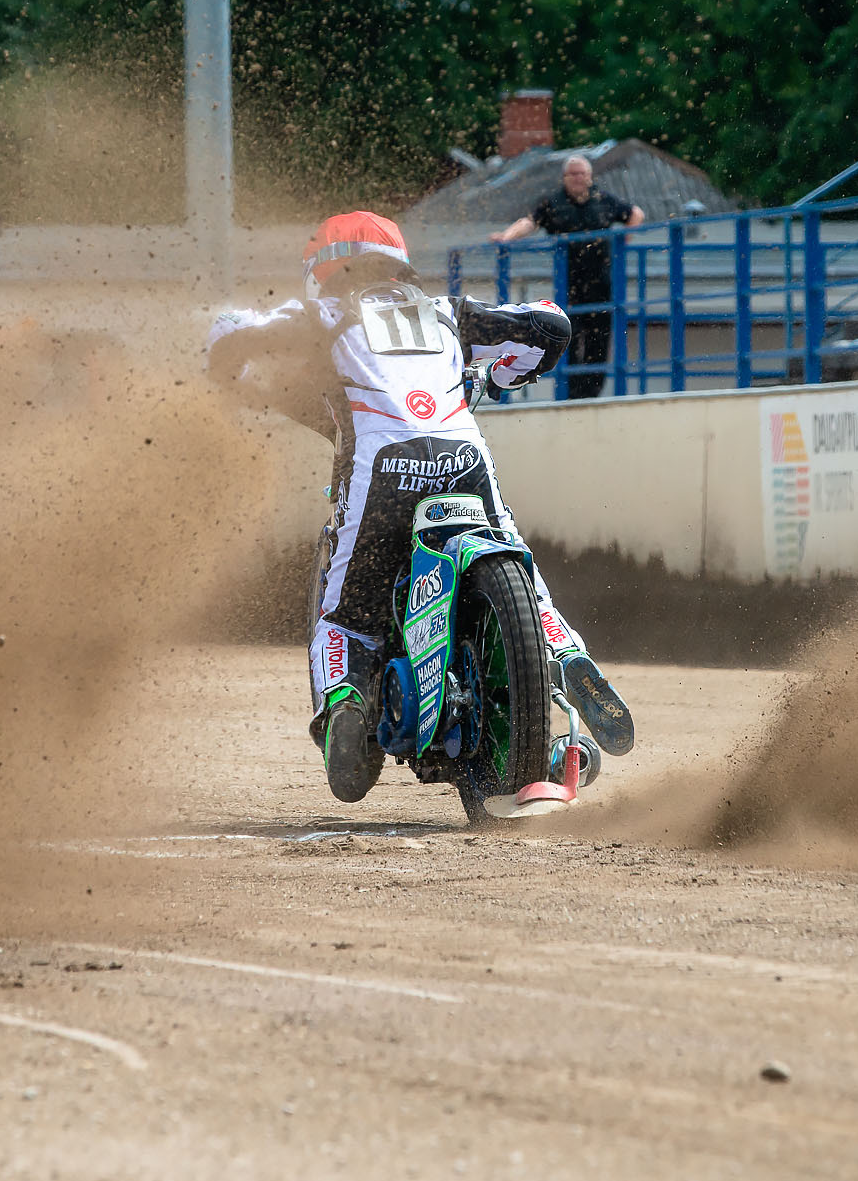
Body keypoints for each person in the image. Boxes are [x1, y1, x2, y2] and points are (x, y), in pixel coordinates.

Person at [207, 211, 635, 802]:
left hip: (381, 468)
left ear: (322, 269)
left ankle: (346, 704)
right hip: (465, 456)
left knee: (344, 614)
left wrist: (226, 377)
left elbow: (231, 333)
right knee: (529, 580)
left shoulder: (324, 315)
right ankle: (564, 657)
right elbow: (551, 324)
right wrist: (507, 374)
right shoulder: (444, 310)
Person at [490, 153, 645, 399]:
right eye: (572, 174)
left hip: (602, 282)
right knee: (569, 337)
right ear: (564, 178)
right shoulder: (553, 202)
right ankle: (572, 393)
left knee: (599, 340)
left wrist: (623, 241)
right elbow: (530, 222)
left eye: (582, 173)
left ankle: (592, 394)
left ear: (590, 177)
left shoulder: (603, 200)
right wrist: (506, 237)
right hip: (569, 285)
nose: (577, 178)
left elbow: (635, 214)